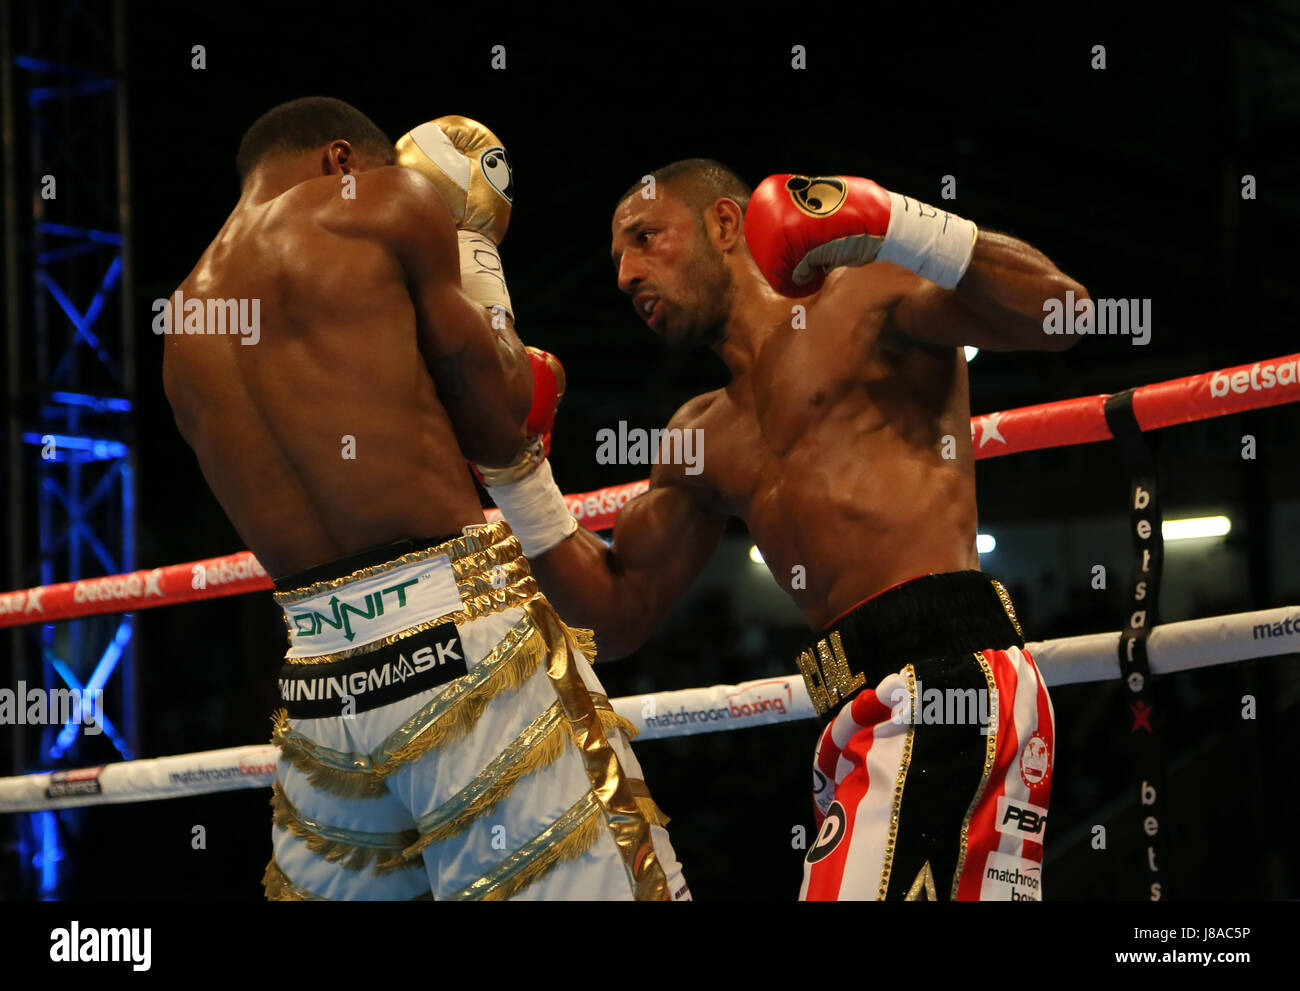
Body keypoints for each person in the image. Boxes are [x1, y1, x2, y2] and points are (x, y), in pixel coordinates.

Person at [477, 159, 1085, 900]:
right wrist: (518, 473)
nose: (626, 274)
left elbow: (1064, 314)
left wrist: (899, 221)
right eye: (617, 259)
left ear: (725, 226)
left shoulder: (865, 294)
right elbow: (619, 611)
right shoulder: (701, 433)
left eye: (645, 238)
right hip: (851, 710)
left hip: (946, 679)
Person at [161, 96, 687, 900]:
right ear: (342, 161)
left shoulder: (186, 322)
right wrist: (475, 256)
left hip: (319, 686)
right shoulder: (382, 204)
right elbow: (502, 415)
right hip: (457, 639)